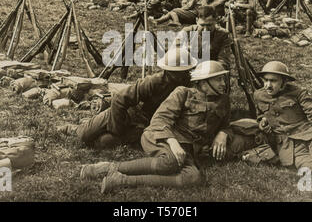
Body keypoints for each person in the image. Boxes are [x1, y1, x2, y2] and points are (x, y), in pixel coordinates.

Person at [81, 61, 252, 193]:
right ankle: (106, 168)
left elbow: (226, 124)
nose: (224, 83)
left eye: (223, 78)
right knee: (169, 162)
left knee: (194, 178)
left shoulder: (224, 100)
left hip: (188, 148)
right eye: (219, 78)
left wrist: (222, 133)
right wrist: (173, 143)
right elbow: (160, 120)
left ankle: (120, 180)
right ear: (204, 82)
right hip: (161, 136)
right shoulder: (183, 93)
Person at [60, 47, 197, 149]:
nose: (177, 76)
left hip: (146, 125)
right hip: (127, 114)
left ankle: (94, 126)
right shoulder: (155, 81)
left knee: (104, 142)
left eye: (182, 72)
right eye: (173, 72)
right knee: (84, 135)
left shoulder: (190, 86)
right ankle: (74, 129)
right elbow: (120, 99)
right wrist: (116, 129)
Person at [254, 61, 312, 171]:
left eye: (273, 81)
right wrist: (262, 121)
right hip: (288, 145)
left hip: (308, 136)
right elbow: (260, 114)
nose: (268, 85)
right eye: (266, 80)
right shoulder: (259, 95)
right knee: (307, 167)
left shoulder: (298, 93)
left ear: (284, 82)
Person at [182, 6, 231, 70]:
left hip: (212, 72)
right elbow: (173, 54)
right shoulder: (187, 32)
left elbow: (223, 62)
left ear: (215, 21)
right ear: (196, 20)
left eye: (209, 25)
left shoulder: (223, 35)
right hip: (189, 70)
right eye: (202, 25)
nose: (205, 30)